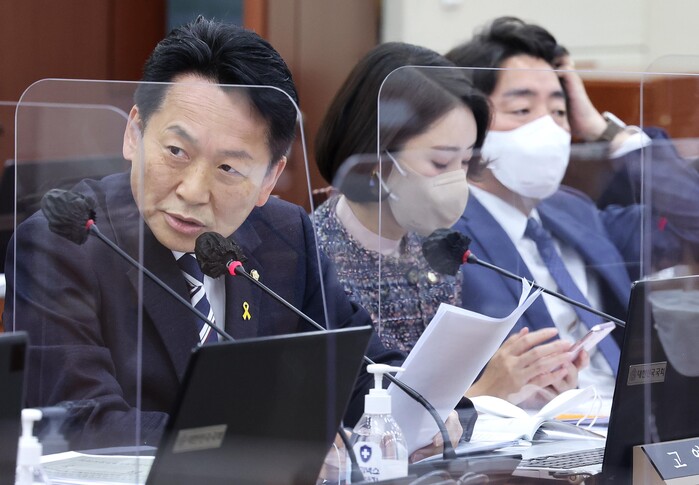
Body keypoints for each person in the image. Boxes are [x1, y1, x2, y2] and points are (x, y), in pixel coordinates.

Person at [2, 18, 438, 452]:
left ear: (270, 178)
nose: (193, 191)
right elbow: (82, 421)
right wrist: (259, 448)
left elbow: (364, 371)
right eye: (176, 151)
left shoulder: (286, 234)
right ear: (134, 133)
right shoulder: (65, 243)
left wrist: (428, 414)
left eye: (229, 168)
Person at [313, 42, 584, 408]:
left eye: (465, 162)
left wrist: (531, 386)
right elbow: (358, 415)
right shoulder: (315, 257)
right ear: (374, 158)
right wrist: (483, 393)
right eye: (441, 163)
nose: (457, 181)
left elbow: (447, 387)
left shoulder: (438, 252)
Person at [445, 16, 699, 403]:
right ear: (467, 124)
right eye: (522, 110)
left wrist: (604, 131)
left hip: (629, 417)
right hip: (528, 429)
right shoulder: (446, 230)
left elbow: (693, 220)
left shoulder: (573, 210)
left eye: (560, 112)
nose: (547, 129)